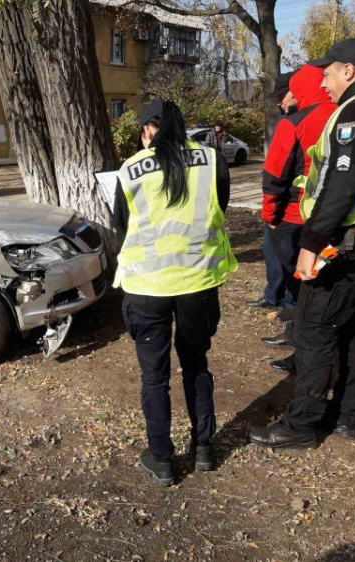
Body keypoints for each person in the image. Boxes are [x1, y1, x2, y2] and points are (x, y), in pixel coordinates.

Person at [250, 38, 355, 449]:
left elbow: (342, 183)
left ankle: (301, 425)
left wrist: (312, 241)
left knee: (313, 329)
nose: (323, 80)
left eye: (328, 71)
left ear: (349, 71)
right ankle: (347, 416)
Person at [112, 100, 236, 485]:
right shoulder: (212, 159)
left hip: (147, 285)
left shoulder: (131, 168)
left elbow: (121, 224)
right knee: (197, 364)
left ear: (149, 129)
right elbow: (221, 205)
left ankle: (162, 459)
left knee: (154, 376)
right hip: (197, 282)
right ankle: (202, 450)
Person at [259, 65, 337, 374]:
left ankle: (302, 342)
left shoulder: (296, 122)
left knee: (303, 283)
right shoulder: (346, 113)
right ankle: (307, 333)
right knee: (323, 282)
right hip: (333, 219)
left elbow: (274, 175)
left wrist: (270, 217)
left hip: (294, 217)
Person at [247, 71, 298, 311]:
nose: (280, 101)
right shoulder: (283, 116)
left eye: (283, 95)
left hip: (295, 200)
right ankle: (273, 294)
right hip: (277, 196)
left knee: (290, 253)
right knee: (271, 247)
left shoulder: (303, 118)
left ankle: (292, 303)